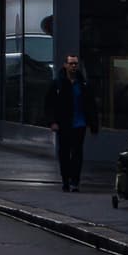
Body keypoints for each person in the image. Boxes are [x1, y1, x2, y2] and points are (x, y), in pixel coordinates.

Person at [45, 51, 96, 191]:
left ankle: (75, 181)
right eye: (71, 63)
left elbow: (90, 104)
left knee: (77, 153)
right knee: (64, 153)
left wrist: (92, 123)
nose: (73, 66)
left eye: (75, 64)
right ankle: (65, 180)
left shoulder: (82, 83)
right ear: (65, 65)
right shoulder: (58, 83)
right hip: (64, 124)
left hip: (79, 123)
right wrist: (52, 122)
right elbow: (49, 104)